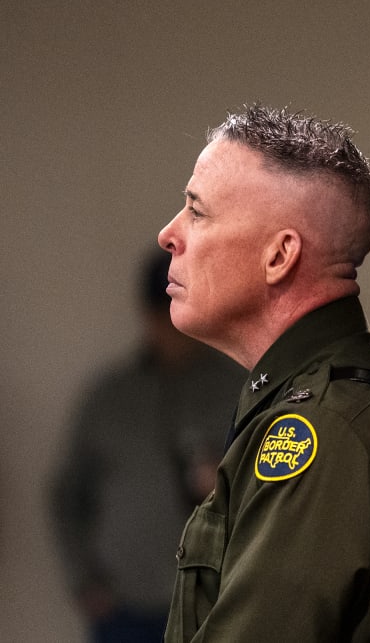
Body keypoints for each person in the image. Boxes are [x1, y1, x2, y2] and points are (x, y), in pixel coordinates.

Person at [155, 103, 370, 641]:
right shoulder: (306, 401)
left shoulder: (323, 427)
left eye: (197, 212)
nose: (168, 235)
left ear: (279, 257)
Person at [49, 249, 245, 643]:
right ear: (147, 314)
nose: (174, 328)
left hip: (214, 605)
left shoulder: (238, 389)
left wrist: (226, 482)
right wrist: (85, 582)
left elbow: (275, 495)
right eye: (163, 313)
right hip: (124, 609)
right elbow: (67, 495)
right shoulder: (109, 397)